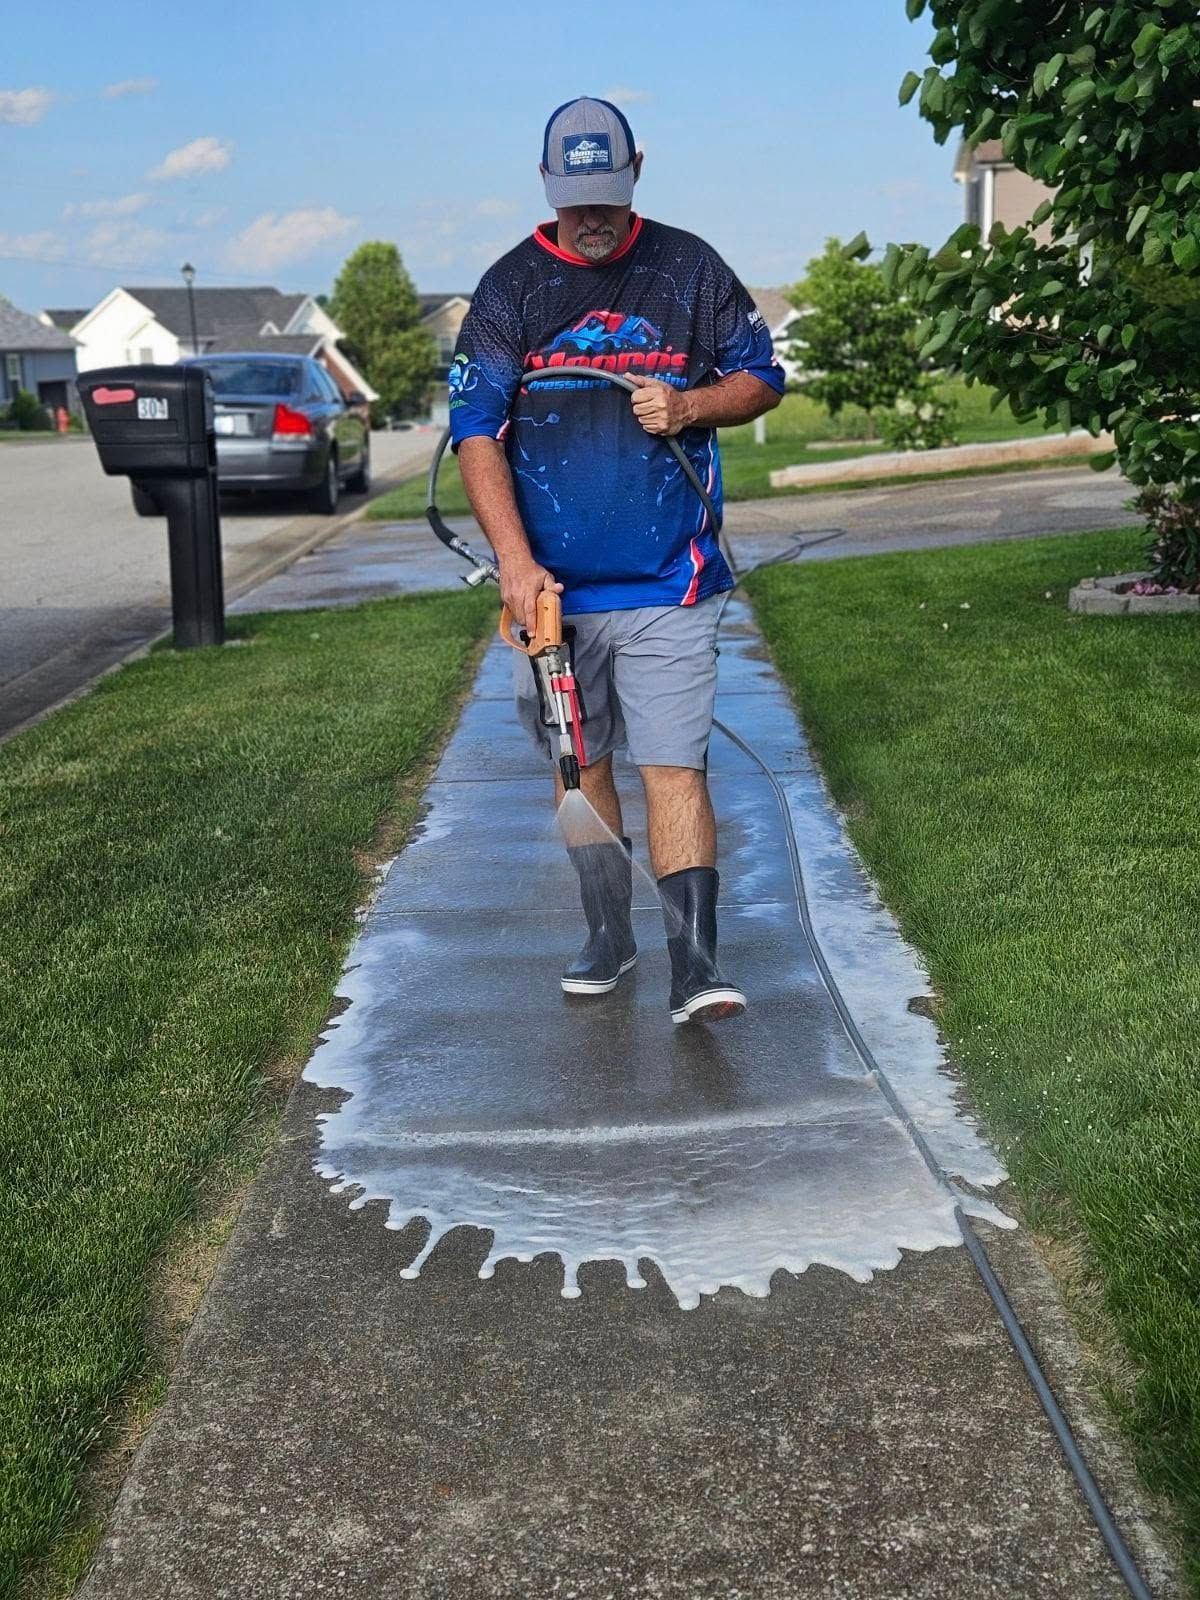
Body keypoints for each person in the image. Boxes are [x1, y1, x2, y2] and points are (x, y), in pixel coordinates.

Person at [450, 96, 784, 1024]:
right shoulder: (509, 288)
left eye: (606, 194)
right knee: (581, 764)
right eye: (573, 198)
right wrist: (515, 567)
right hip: (552, 595)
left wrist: (688, 409)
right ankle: (609, 929)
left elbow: (762, 377)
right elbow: (476, 432)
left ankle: (696, 966)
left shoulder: (689, 267)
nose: (591, 217)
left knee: (674, 766)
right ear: (546, 183)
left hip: (669, 578)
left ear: (638, 168)